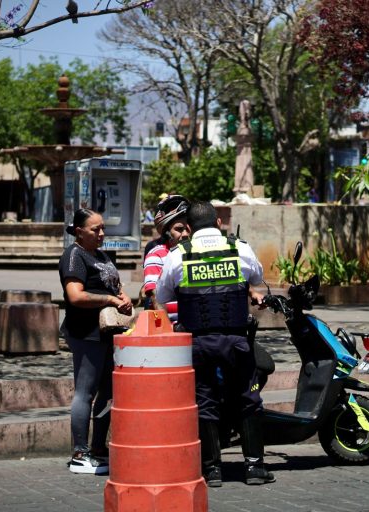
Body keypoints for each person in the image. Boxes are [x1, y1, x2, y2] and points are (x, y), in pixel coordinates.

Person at [155, 201, 274, 487]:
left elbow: (161, 295)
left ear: (190, 227)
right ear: (218, 222)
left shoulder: (177, 255)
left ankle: (212, 470)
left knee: (205, 402)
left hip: (198, 343)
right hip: (236, 340)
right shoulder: (240, 249)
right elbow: (257, 278)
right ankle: (255, 467)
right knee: (248, 399)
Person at [59, 208, 133, 474]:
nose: (102, 234)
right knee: (85, 391)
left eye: (103, 228)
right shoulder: (74, 256)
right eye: (95, 229)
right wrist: (110, 299)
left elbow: (114, 283)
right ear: (79, 232)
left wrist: (123, 296)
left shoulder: (101, 254)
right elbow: (75, 296)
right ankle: (80, 453)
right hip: (86, 333)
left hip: (109, 333)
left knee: (109, 392)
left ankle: (99, 447)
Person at [141, 194, 191, 312]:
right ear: (167, 232)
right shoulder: (156, 255)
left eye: (188, 229)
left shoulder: (198, 250)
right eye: (179, 229)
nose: (185, 234)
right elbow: (155, 296)